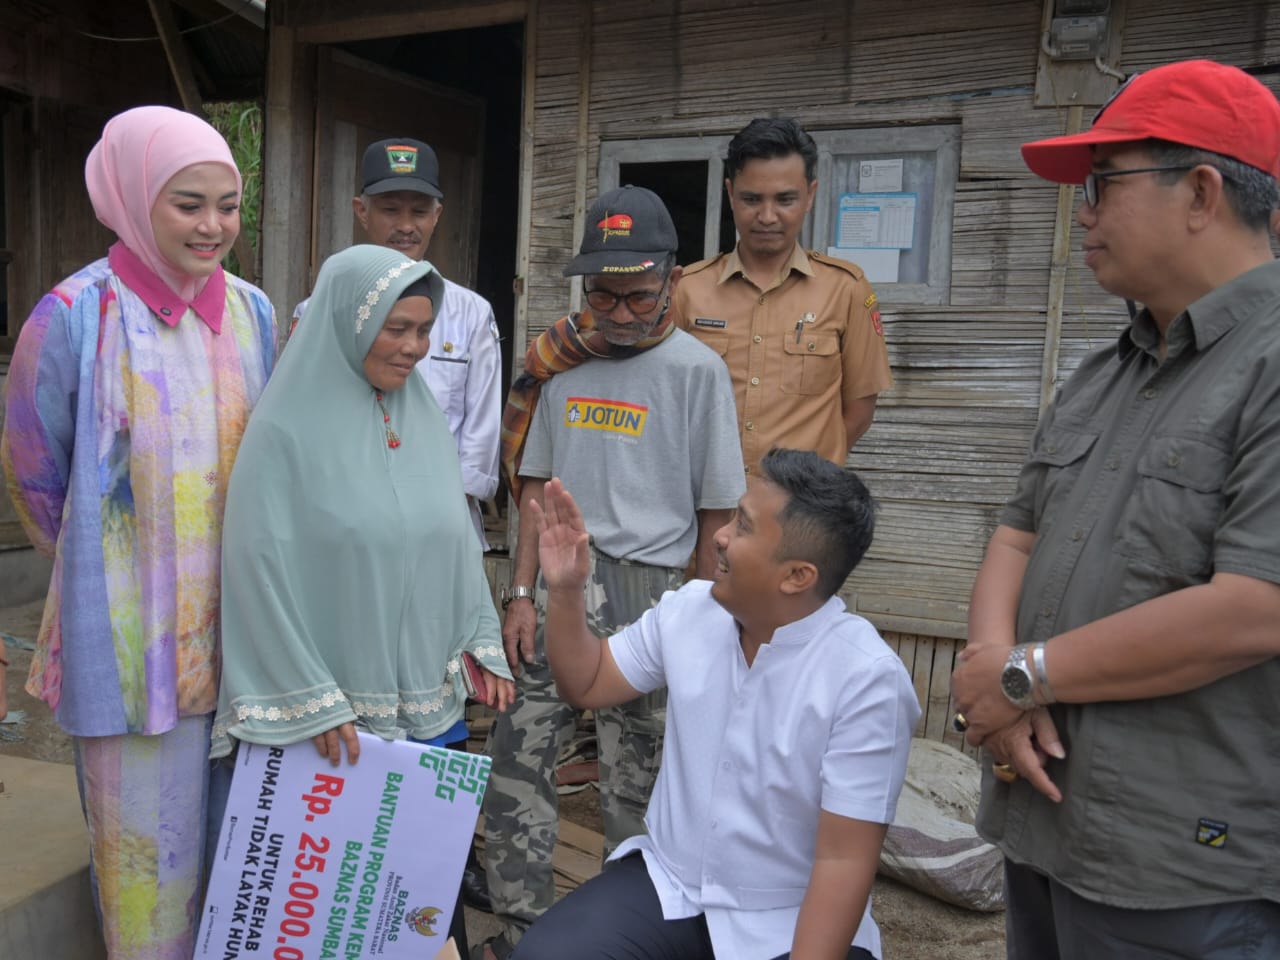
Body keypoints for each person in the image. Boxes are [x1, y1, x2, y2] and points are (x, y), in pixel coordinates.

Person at [950, 59, 1280, 959]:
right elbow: (1018, 531)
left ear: (1202, 192)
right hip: (1045, 823)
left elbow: (1256, 608)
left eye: (1103, 184)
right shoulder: (1108, 370)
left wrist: (1022, 675)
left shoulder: (1269, 365)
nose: (1083, 212)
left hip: (1177, 860)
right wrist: (993, 670)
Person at [0, 105, 276, 959]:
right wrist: (107, 566)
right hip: (130, 653)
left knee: (247, 865)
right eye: (187, 203)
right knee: (145, 884)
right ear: (128, 195)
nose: (213, 226)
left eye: (227, 205)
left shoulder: (256, 312)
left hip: (247, 648)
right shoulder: (75, 314)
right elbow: (33, 471)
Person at [211, 243, 517, 957]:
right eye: (396, 328)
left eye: (423, 331)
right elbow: (256, 571)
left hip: (423, 705)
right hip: (333, 728)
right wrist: (311, 695)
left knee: (410, 903)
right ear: (349, 323)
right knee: (321, 913)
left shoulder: (421, 421)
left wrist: (479, 640)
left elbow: (451, 540)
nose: (415, 348)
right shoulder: (284, 433)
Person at [512, 449, 919, 960]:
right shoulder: (690, 610)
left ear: (797, 576)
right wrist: (567, 590)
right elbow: (588, 682)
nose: (721, 537)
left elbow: (844, 862)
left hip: (787, 914)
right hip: (670, 886)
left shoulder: (867, 680)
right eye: (732, 517)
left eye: (743, 527)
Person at [479, 185, 746, 959]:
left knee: (640, 778)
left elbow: (717, 515)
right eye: (602, 295)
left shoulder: (697, 373)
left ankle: (638, 937)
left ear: (671, 276)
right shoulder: (560, 365)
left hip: (656, 590)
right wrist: (521, 594)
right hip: (564, 581)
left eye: (636, 295)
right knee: (519, 756)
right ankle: (519, 928)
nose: (620, 313)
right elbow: (534, 489)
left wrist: (705, 613)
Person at [293, 137, 501, 547]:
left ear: (438, 215)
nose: (406, 225)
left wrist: (431, 519)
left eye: (420, 211)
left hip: (443, 528)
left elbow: (480, 442)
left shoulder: (471, 313)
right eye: (390, 209)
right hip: (346, 527)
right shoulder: (319, 311)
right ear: (361, 211)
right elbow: (307, 425)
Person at [674, 117, 892, 474]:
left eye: (785, 199)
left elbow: (858, 411)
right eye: (751, 199)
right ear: (730, 194)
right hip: (707, 503)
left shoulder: (845, 288)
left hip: (800, 511)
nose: (767, 216)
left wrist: (805, 481)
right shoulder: (687, 289)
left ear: (810, 195)